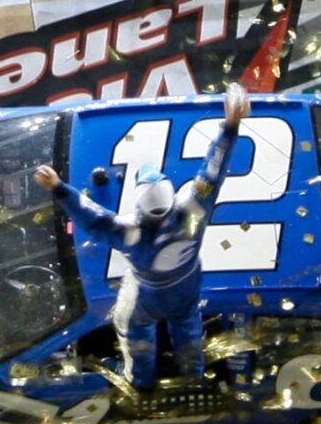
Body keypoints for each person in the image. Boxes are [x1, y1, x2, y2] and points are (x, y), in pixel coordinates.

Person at [37, 84, 250, 389]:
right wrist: (230, 126)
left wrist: (59, 188)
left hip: (148, 297)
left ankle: (140, 381)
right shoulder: (193, 211)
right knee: (188, 329)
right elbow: (213, 171)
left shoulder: (129, 232)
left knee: (133, 331)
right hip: (185, 289)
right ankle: (193, 374)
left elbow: (91, 217)